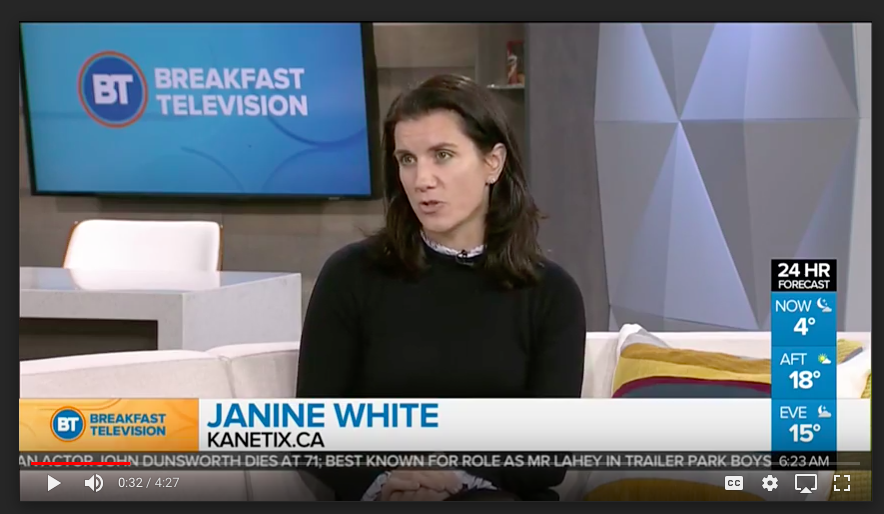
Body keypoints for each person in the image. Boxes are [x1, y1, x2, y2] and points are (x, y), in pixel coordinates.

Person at [296, 74, 586, 501]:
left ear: (493, 163)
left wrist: (453, 478)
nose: (422, 179)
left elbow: (545, 457)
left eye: (443, 156)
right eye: (407, 159)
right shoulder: (351, 276)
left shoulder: (551, 293)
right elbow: (311, 434)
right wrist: (386, 482)